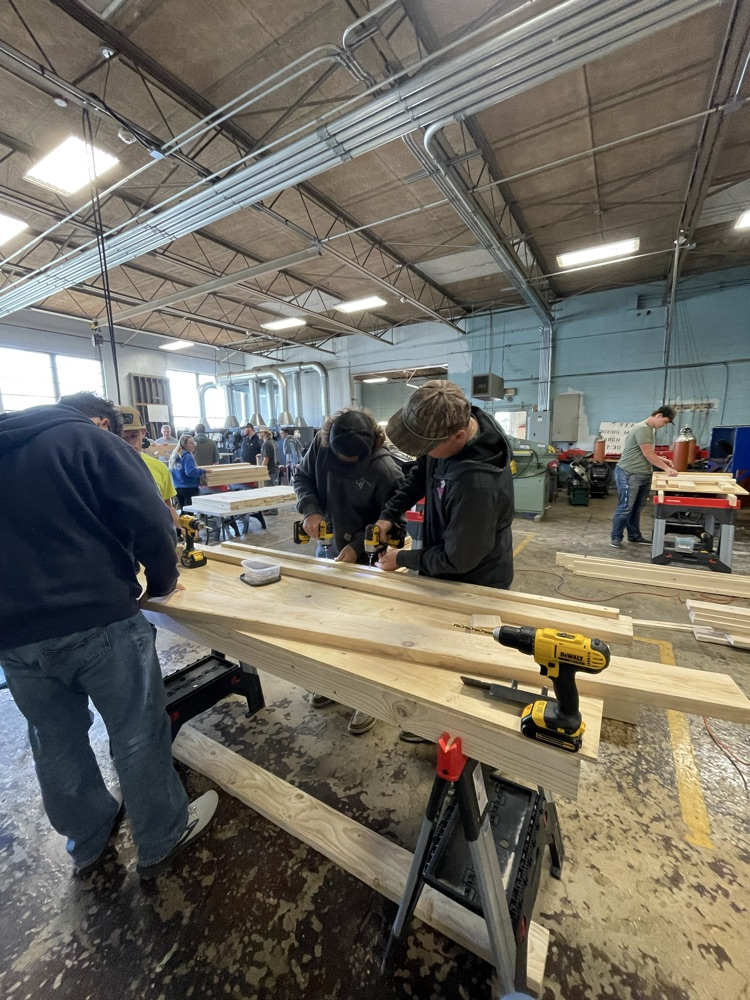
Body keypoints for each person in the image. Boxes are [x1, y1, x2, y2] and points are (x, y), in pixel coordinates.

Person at [0, 400, 217, 879]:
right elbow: (153, 519)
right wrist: (161, 583)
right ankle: (161, 837)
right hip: (96, 615)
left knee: (54, 739)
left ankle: (88, 838)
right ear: (103, 422)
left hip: (13, 636)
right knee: (136, 729)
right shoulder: (87, 440)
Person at [374, 381, 515, 743]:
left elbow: (458, 559)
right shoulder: (454, 428)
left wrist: (402, 557)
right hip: (449, 562)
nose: (424, 452)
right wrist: (390, 513)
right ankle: (434, 720)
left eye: (428, 447)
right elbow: (421, 472)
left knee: (463, 664)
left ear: (458, 435)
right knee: (436, 652)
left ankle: (455, 732)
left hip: (475, 580)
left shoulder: (477, 484)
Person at [294, 408, 404, 736]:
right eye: (340, 457)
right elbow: (302, 478)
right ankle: (333, 684)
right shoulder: (321, 446)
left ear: (369, 447)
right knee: (328, 625)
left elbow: (393, 522)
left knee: (367, 632)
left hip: (369, 559)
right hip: (328, 550)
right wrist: (310, 510)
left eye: (352, 460)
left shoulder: (386, 470)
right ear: (329, 441)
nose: (344, 462)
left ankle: (367, 699)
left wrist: (357, 546)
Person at [610, 405, 676, 548]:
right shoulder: (642, 428)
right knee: (625, 507)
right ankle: (616, 537)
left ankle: (634, 536)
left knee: (636, 508)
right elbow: (647, 453)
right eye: (665, 422)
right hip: (629, 473)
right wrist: (666, 468)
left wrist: (661, 459)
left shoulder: (650, 429)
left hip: (642, 473)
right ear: (658, 415)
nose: (664, 425)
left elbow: (643, 452)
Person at [117, 405, 180, 527]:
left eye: (134, 436)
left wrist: (180, 527)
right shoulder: (100, 470)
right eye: (121, 438)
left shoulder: (159, 467)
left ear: (143, 433)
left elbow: (167, 506)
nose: (129, 445)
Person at [169, 434, 206, 512]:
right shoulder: (188, 456)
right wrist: (202, 471)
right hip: (189, 487)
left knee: (184, 511)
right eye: (191, 443)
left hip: (178, 487)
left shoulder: (175, 456)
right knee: (189, 513)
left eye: (194, 443)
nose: (193, 445)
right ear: (184, 445)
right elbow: (190, 472)